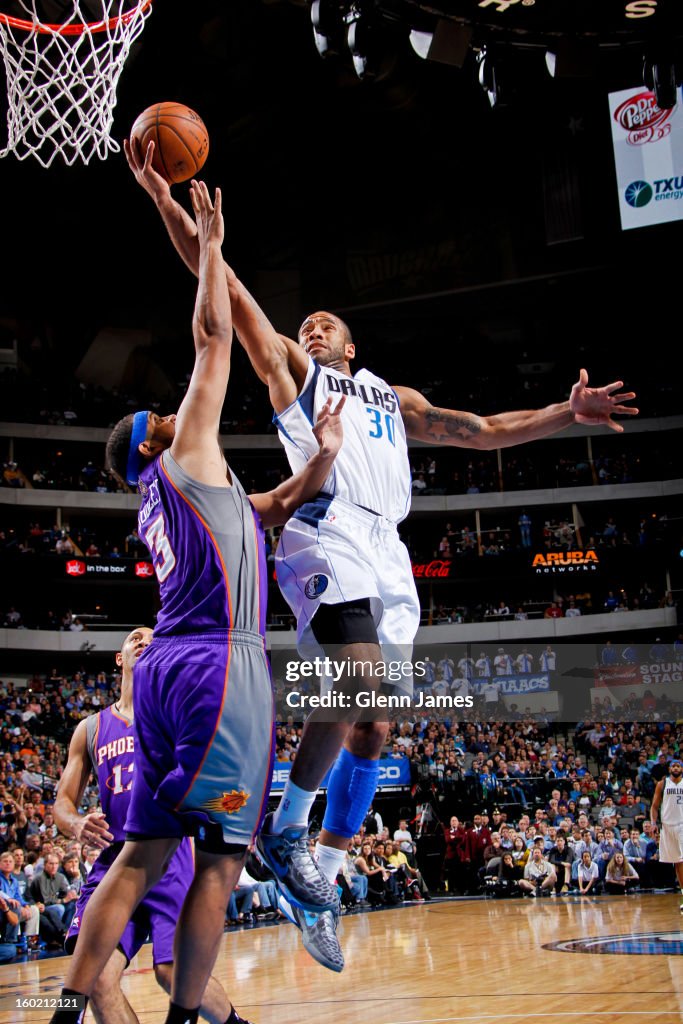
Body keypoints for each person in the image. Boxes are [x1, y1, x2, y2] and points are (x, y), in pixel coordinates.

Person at [124, 136, 639, 967]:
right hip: (325, 529)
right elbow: (218, 284)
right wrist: (165, 200)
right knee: (360, 685)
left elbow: (480, 432)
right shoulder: (299, 377)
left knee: (375, 730)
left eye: (325, 322)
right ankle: (283, 835)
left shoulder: (392, 400)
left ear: (353, 344)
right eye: (305, 325)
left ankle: (316, 870)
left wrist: (561, 413)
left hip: (387, 554)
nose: (311, 327)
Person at [48, 182, 345, 1024]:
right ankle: (187, 1017)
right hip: (221, 664)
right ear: (151, 439)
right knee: (216, 862)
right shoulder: (187, 452)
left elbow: (275, 508)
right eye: (161, 414)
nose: (176, 411)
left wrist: (322, 457)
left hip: (167, 674)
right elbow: (213, 337)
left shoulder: (178, 496)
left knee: (144, 850)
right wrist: (209, 244)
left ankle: (71, 1007)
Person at [53, 626, 232, 1024]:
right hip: (115, 862)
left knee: (172, 972)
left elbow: (218, 790)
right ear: (120, 658)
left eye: (152, 638)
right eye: (134, 637)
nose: (143, 641)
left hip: (171, 858)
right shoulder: (91, 728)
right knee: (95, 979)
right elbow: (62, 804)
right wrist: (78, 822)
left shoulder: (179, 719)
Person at [650, 757, 683, 912]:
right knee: (677, 863)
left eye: (678, 766)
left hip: (682, 825)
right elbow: (655, 806)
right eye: (673, 766)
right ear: (670, 769)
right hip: (667, 826)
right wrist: (653, 823)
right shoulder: (662, 785)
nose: (676, 768)